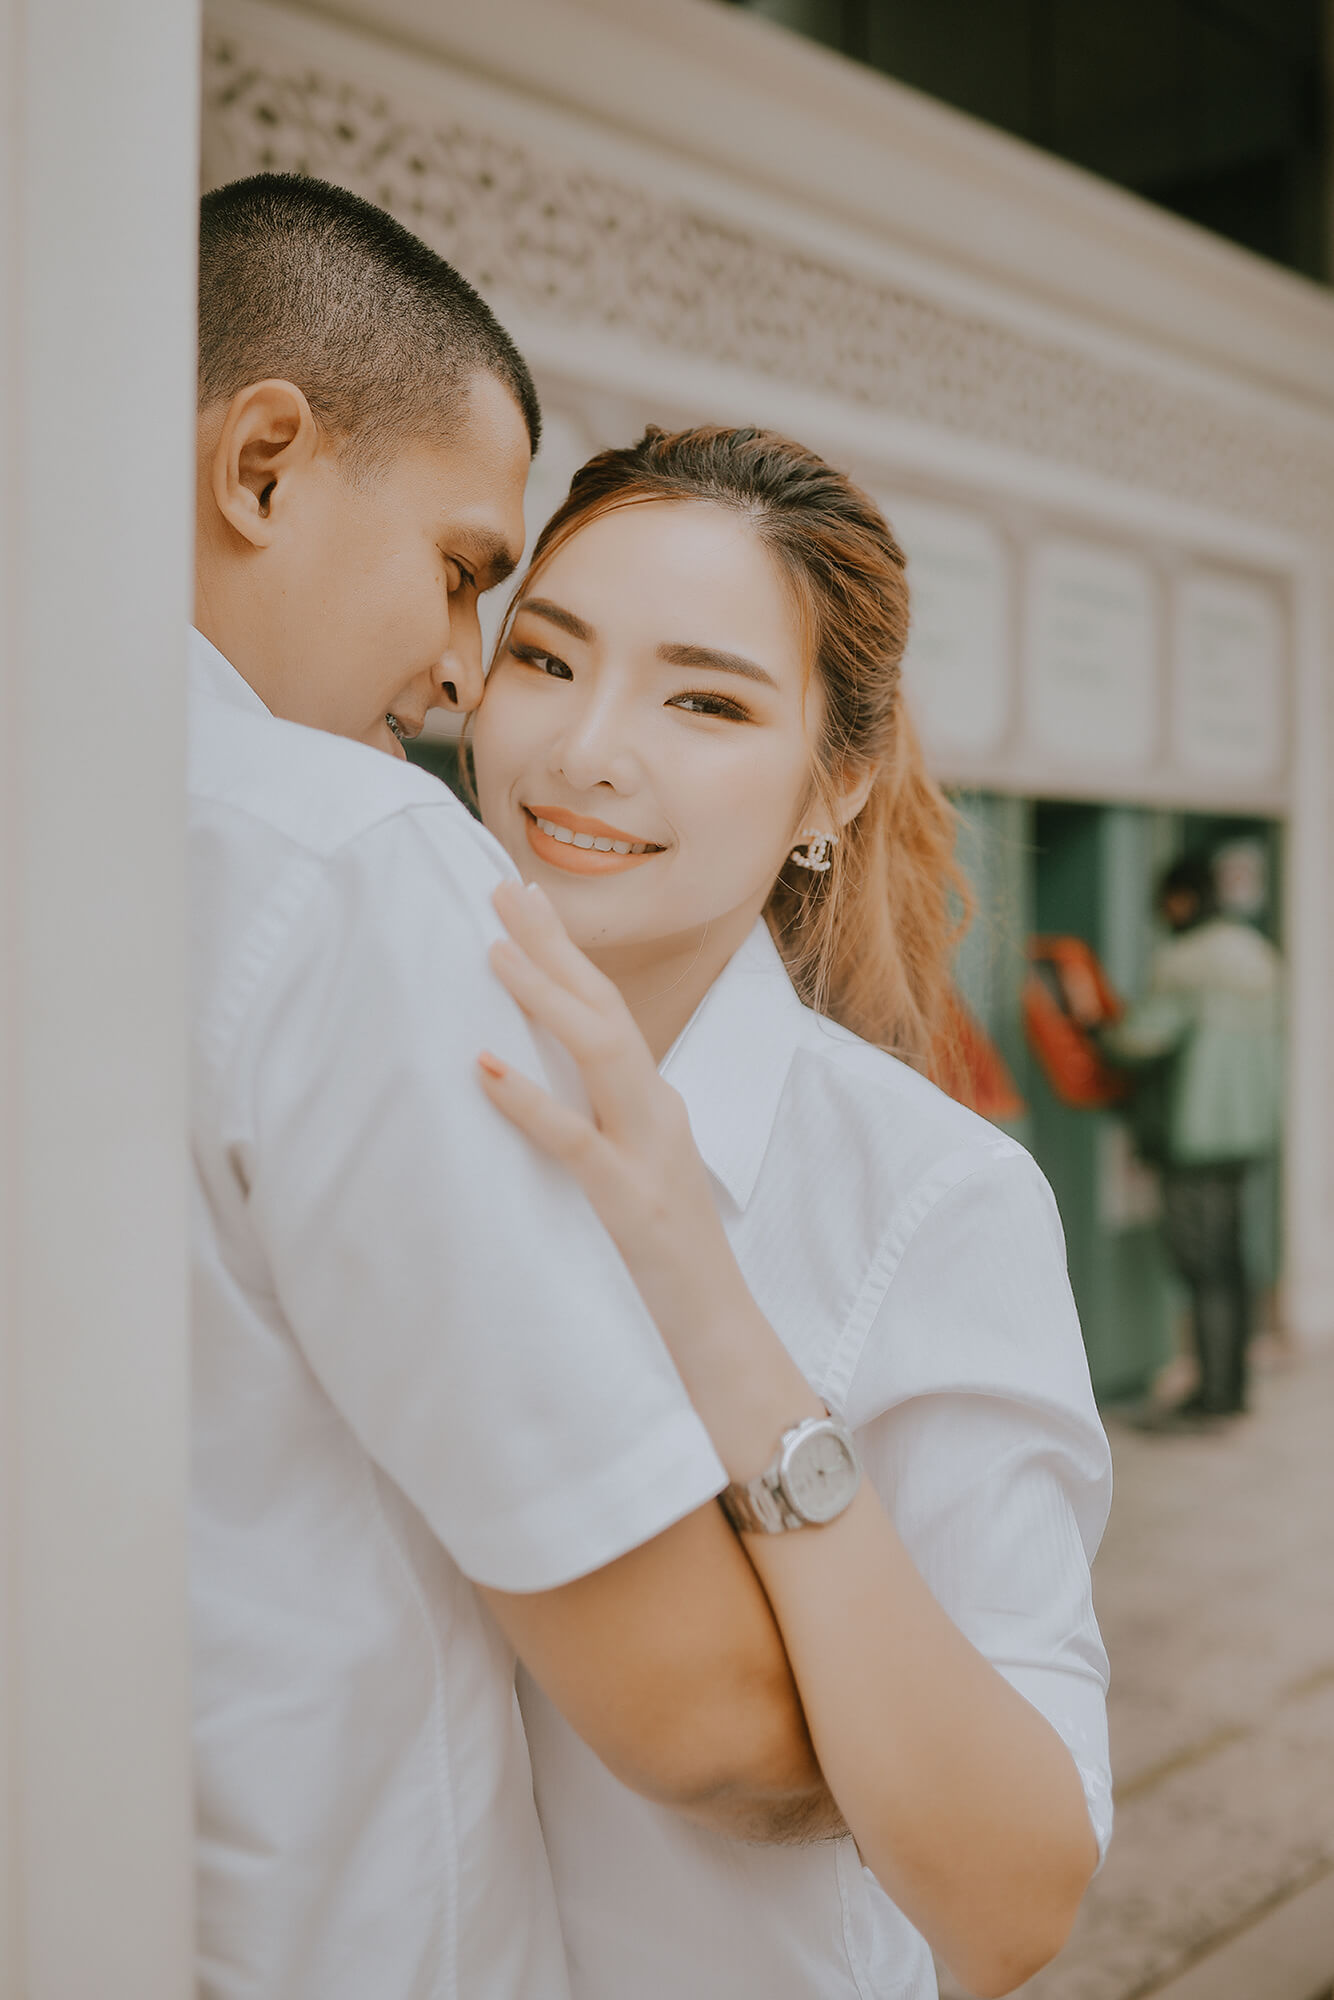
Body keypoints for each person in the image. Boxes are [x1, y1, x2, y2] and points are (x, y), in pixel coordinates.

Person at [189, 176, 839, 2000]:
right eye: (477, 582)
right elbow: (706, 1716)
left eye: (707, 703)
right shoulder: (339, 852)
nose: (464, 679)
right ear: (262, 465)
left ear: (828, 787)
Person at [466, 426, 1114, 1999]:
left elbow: (1014, 1899)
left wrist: (708, 1305)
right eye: (544, 661)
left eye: (706, 700)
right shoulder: (360, 1063)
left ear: (831, 781)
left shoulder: (931, 1197)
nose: (586, 751)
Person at [1102, 854, 1283, 1423]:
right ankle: (1234, 1389)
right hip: (1247, 1132)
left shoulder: (1184, 960)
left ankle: (1210, 1398)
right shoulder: (1256, 951)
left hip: (1194, 1134)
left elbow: (1140, 1039)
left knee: (1200, 1265)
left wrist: (1096, 1033)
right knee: (1232, 1260)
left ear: (1179, 900)